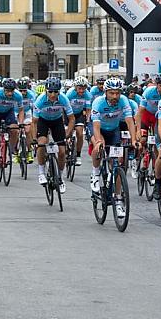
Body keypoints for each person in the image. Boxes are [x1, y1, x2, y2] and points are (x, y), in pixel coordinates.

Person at [89, 78, 138, 219]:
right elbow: (96, 126)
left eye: (117, 93)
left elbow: (130, 121)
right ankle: (95, 173)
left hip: (113, 129)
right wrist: (98, 141)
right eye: (112, 93)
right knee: (99, 147)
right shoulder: (98, 102)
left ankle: (117, 199)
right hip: (98, 128)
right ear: (106, 92)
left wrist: (134, 140)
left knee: (117, 163)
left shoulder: (124, 101)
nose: (115, 96)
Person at [32, 77, 74, 194]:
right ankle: (41, 172)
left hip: (57, 122)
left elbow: (71, 119)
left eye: (56, 92)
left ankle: (60, 178)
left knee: (61, 151)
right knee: (42, 143)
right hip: (43, 121)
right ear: (46, 90)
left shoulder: (63, 99)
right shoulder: (40, 100)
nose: (53, 94)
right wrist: (35, 138)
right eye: (50, 91)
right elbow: (34, 122)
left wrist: (68, 133)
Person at [0, 78, 25, 175]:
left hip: (8, 112)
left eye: (11, 91)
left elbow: (21, 110)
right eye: (7, 91)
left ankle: (11, 151)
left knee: (15, 130)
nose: (10, 93)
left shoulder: (18, 95)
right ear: (3, 89)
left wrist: (20, 123)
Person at [64, 76, 92, 166]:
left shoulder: (87, 95)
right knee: (67, 133)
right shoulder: (69, 94)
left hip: (78, 114)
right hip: (68, 114)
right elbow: (64, 108)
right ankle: (66, 150)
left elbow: (88, 110)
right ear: (75, 87)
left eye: (84, 89)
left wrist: (87, 120)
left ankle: (78, 155)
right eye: (79, 88)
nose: (81, 91)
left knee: (80, 133)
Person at [16, 77, 37, 164]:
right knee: (15, 131)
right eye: (20, 91)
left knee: (28, 131)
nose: (22, 93)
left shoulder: (31, 94)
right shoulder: (15, 94)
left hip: (27, 112)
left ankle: (29, 152)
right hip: (15, 112)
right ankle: (15, 151)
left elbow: (35, 108)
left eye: (24, 90)